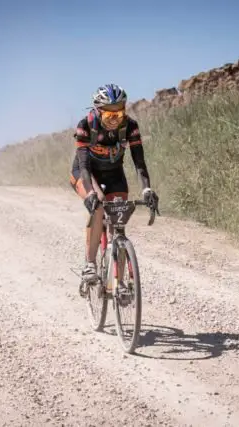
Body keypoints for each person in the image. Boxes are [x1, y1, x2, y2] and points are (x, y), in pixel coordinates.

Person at [69, 83, 159, 286]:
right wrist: (91, 193)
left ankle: (117, 271)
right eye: (109, 115)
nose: (114, 120)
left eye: (118, 114)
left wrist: (147, 189)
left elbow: (139, 163)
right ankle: (90, 264)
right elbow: (83, 166)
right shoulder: (85, 126)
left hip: (113, 173)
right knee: (99, 207)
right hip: (86, 173)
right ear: (97, 110)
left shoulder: (130, 126)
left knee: (118, 217)